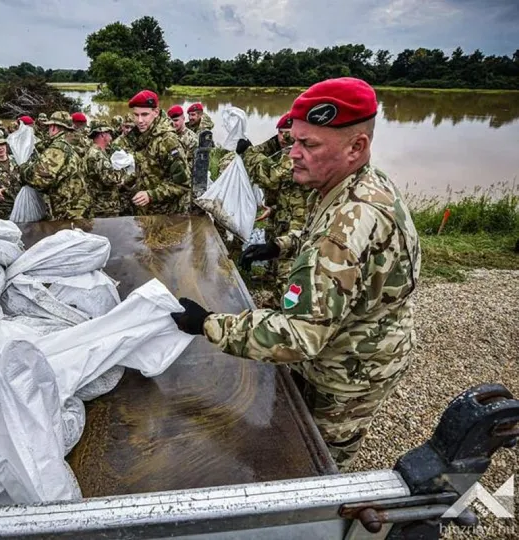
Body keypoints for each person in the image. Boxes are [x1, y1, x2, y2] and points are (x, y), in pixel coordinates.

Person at [170, 78, 421, 471]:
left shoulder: (343, 231)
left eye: (309, 145)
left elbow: (301, 336)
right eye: (294, 142)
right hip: (357, 341)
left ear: (357, 147)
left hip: (349, 369)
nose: (293, 155)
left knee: (316, 461)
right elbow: (321, 238)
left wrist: (209, 324)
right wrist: (281, 245)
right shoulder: (361, 185)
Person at [238, 113, 313, 296]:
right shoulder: (283, 150)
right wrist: (273, 209)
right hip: (283, 213)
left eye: (288, 133)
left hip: (298, 221)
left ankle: (283, 302)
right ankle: (269, 280)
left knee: (287, 263)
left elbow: (269, 177)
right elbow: (287, 190)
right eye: (280, 132)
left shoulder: (296, 155)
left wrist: (248, 151)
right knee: (272, 247)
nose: (283, 137)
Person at [123, 90, 190, 215]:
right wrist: (125, 182)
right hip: (147, 212)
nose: (140, 120)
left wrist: (151, 195)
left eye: (144, 114)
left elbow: (183, 184)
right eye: (136, 115)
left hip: (167, 214)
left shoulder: (168, 141)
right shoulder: (142, 136)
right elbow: (147, 169)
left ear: (156, 112)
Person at [20, 111, 91, 220]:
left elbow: (39, 179)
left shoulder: (58, 148)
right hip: (79, 206)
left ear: (53, 127)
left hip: (67, 211)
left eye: (49, 127)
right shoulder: (75, 143)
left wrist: (23, 169)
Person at [84, 120, 123, 217]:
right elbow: (110, 179)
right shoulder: (98, 155)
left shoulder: (92, 151)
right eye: (109, 133)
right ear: (102, 135)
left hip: (98, 204)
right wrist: (122, 172)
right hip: (104, 207)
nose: (111, 137)